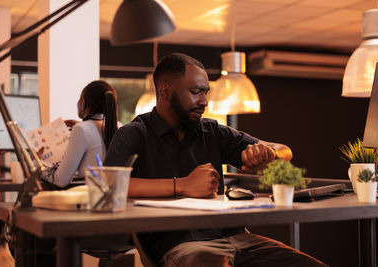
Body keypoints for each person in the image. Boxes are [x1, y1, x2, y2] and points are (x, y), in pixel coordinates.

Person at [104, 53, 328, 266]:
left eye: (206, 92)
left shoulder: (212, 131)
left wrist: (268, 152)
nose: (204, 101)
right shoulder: (134, 134)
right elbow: (110, 185)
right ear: (164, 91)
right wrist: (182, 185)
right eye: (196, 92)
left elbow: (284, 150)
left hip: (238, 238)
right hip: (181, 245)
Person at [41, 80, 118, 188]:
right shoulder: (119, 126)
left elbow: (60, 180)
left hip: (85, 197)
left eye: (80, 97)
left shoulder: (82, 129)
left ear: (84, 103)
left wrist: (36, 165)